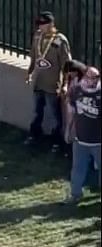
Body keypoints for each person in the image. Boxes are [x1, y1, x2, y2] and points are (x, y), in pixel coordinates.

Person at [25, 11, 71, 154]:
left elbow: (67, 66)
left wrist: (65, 84)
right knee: (36, 111)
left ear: (51, 24)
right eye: (39, 24)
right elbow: (34, 57)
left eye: (43, 24)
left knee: (55, 114)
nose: (41, 26)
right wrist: (29, 73)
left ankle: (57, 141)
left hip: (52, 84)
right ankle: (34, 135)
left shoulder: (59, 41)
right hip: (38, 82)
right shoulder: (37, 36)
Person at [64, 66, 101, 205]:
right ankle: (75, 194)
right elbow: (72, 111)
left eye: (94, 78)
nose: (90, 80)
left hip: (98, 142)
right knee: (78, 169)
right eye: (89, 76)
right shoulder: (76, 90)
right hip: (80, 139)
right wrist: (68, 130)